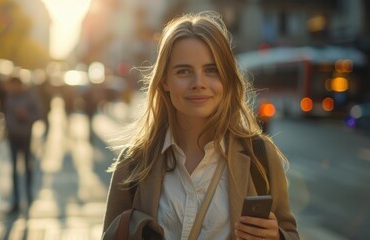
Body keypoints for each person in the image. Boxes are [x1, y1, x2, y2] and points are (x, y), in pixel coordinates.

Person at [102, 11, 300, 240]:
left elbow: (290, 233)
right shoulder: (134, 162)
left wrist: (277, 236)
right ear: (165, 80)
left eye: (211, 70)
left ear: (227, 78)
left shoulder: (260, 156)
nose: (199, 83)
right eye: (183, 71)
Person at [3, 76, 43, 213]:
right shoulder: (9, 97)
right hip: (12, 136)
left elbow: (39, 114)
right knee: (14, 170)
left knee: (27, 166)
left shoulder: (30, 96)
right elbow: (6, 114)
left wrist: (26, 116)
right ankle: (16, 200)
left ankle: (29, 196)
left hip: (26, 136)